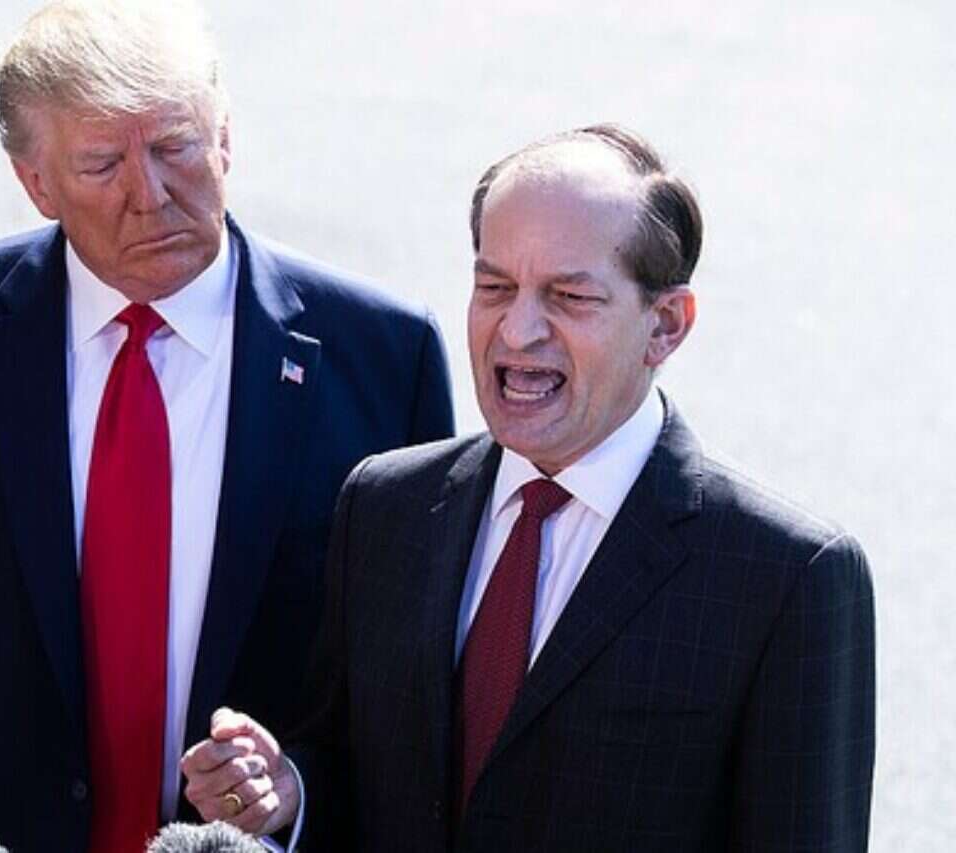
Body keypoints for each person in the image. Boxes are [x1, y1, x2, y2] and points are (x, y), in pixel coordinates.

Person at [0, 1, 454, 850]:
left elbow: (411, 709)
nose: (149, 195)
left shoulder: (383, 357)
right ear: (36, 183)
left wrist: (294, 790)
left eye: (175, 146)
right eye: (101, 164)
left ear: (225, 137)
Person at [182, 124, 875, 851]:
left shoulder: (785, 575)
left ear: (666, 325)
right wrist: (292, 792)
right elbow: (357, 775)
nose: (516, 332)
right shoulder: (386, 508)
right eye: (495, 287)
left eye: (569, 297)